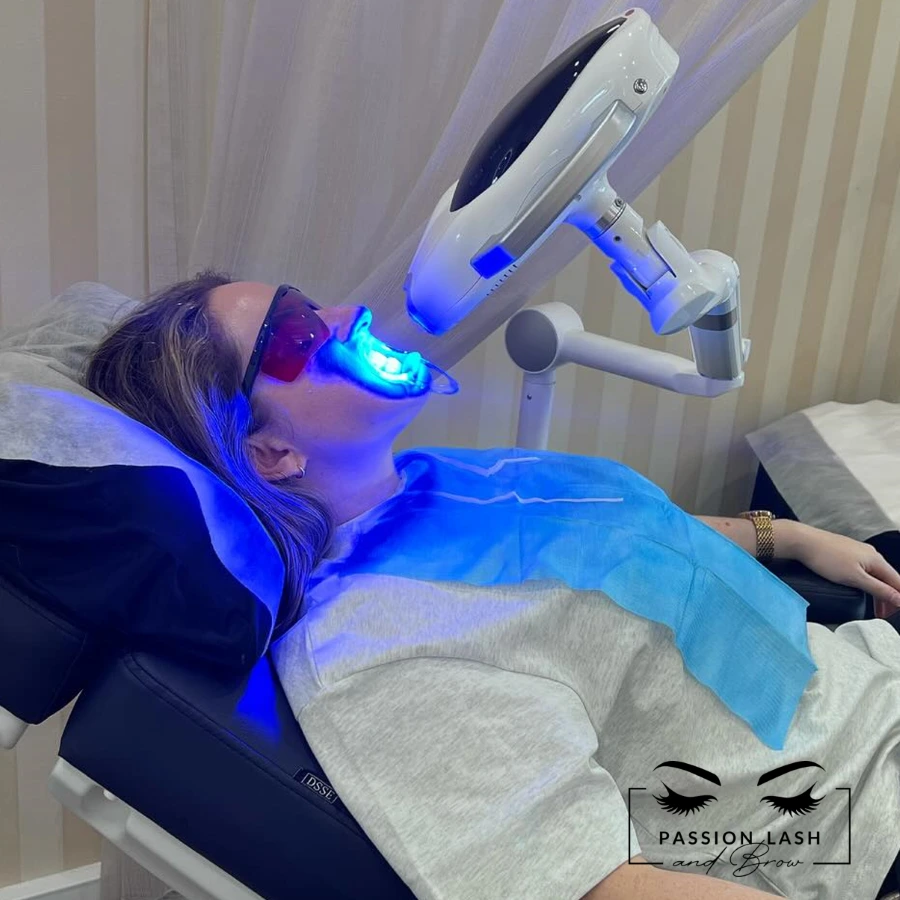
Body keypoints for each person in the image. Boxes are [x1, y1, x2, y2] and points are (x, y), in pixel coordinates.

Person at [86, 271, 900, 900]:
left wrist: (783, 534)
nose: (349, 315)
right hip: (860, 810)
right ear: (269, 454)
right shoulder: (381, 655)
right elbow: (596, 888)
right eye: (297, 334)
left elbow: (612, 542)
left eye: (306, 300)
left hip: (863, 673)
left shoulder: (424, 480)